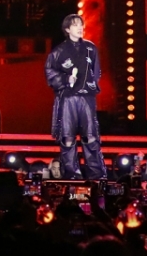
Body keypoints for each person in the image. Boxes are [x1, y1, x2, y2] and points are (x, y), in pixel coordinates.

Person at [44, 14, 107, 179]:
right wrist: (66, 79)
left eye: (81, 24)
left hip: (86, 97)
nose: (80, 28)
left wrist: (88, 84)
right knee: (68, 137)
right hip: (68, 98)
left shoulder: (91, 48)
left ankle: (96, 173)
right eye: (75, 25)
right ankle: (72, 174)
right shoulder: (58, 52)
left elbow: (96, 71)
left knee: (90, 136)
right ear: (67, 29)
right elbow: (50, 72)